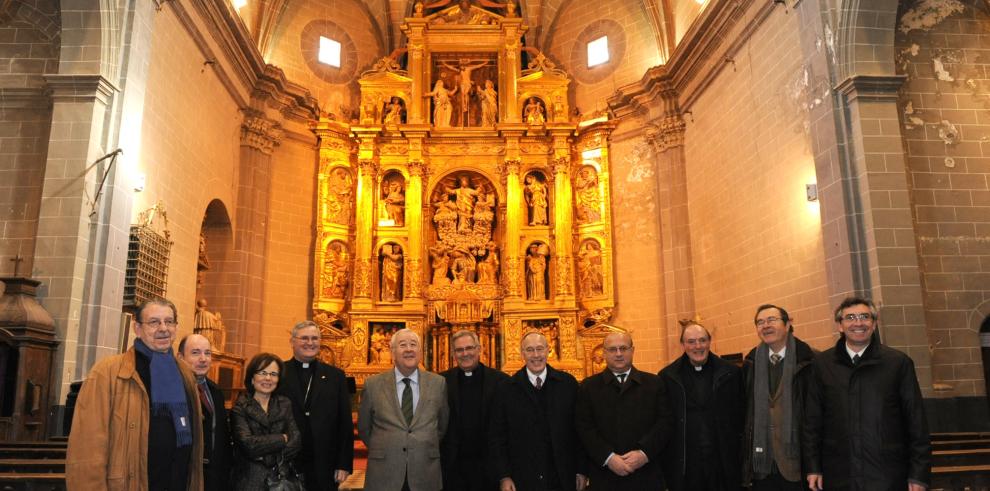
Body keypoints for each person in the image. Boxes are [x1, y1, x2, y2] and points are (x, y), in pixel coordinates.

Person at [66, 298, 204, 490]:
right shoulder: (108, 372)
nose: (163, 328)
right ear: (137, 328)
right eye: (154, 322)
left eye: (169, 321)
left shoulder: (184, 372)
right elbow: (87, 449)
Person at [803, 297, 931, 491]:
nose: (858, 323)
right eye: (850, 317)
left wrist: (918, 475)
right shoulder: (822, 364)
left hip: (886, 473)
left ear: (874, 323)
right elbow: (812, 422)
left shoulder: (897, 363)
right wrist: (813, 467)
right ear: (840, 325)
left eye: (865, 317)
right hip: (838, 472)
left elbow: (916, 421)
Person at [490, 331, 587, 491]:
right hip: (522, 477)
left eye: (540, 349)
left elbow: (580, 430)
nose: (536, 355)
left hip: (563, 475)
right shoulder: (506, 389)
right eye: (529, 350)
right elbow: (497, 436)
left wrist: (582, 470)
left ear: (548, 350)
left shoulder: (567, 385)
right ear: (522, 353)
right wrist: (504, 475)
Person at [575, 332, 670, 490]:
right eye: (612, 349)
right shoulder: (588, 387)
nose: (618, 354)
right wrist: (608, 457)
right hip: (605, 475)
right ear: (604, 353)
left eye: (623, 348)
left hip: (646, 474)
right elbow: (584, 428)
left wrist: (644, 453)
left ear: (632, 351)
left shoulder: (654, 384)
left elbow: (665, 422)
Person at [358, 329, 449, 491]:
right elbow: (364, 427)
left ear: (420, 352)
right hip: (385, 471)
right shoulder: (373, 384)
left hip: (424, 470)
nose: (409, 349)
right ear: (392, 352)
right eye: (402, 345)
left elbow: (441, 425)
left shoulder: (438, 383)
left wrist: (422, 443)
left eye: (413, 345)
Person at [659, 319, 743, 491]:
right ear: (682, 345)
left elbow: (741, 415)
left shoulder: (731, 373)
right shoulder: (668, 377)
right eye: (691, 342)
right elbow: (664, 421)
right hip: (686, 464)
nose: (698, 346)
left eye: (702, 340)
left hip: (722, 461)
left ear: (709, 341)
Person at [741, 305, 817, 491]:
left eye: (771, 320)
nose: (765, 326)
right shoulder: (750, 364)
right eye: (760, 322)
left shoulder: (811, 361)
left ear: (788, 324)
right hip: (761, 464)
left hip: (797, 463)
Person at [276, 321, 354, 491]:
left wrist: (344, 464)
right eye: (304, 338)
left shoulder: (336, 376)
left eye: (314, 338)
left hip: (325, 461)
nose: (310, 343)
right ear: (292, 342)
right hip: (286, 460)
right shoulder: (278, 372)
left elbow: (345, 422)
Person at [441, 330, 510, 491]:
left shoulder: (501, 382)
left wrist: (505, 473)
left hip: (489, 469)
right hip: (452, 469)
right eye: (459, 350)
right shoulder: (441, 382)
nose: (465, 353)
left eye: (469, 348)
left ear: (479, 349)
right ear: (453, 353)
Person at [231, 353, 302, 490]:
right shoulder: (240, 407)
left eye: (273, 374)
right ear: (252, 378)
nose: (268, 378)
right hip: (250, 481)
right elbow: (249, 445)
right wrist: (282, 438)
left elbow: (296, 440)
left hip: (281, 481)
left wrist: (264, 453)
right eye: (263, 373)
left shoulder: (285, 404)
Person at [178, 333, 233, 491]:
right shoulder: (173, 392)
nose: (203, 359)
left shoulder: (216, 391)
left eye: (207, 353)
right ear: (180, 357)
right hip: (185, 477)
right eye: (195, 353)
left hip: (214, 478)